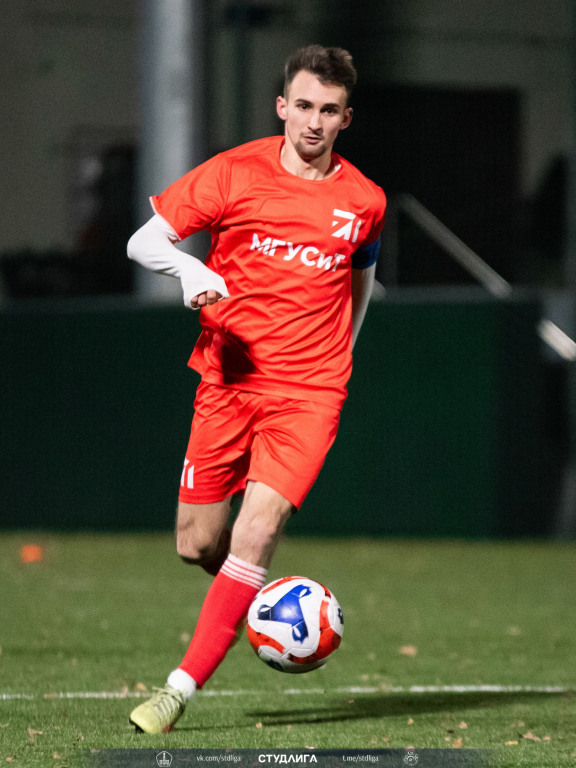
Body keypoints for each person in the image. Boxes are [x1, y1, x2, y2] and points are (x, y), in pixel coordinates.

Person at [126, 44, 386, 734]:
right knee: (197, 544)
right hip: (228, 379)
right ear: (281, 107)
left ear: (346, 118)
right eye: (303, 106)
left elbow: (361, 276)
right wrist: (188, 273)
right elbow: (142, 243)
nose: (313, 122)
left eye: (328, 110)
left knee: (259, 528)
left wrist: (343, 352)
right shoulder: (234, 173)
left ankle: (175, 693)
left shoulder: (364, 201)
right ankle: (264, 599)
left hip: (309, 392)